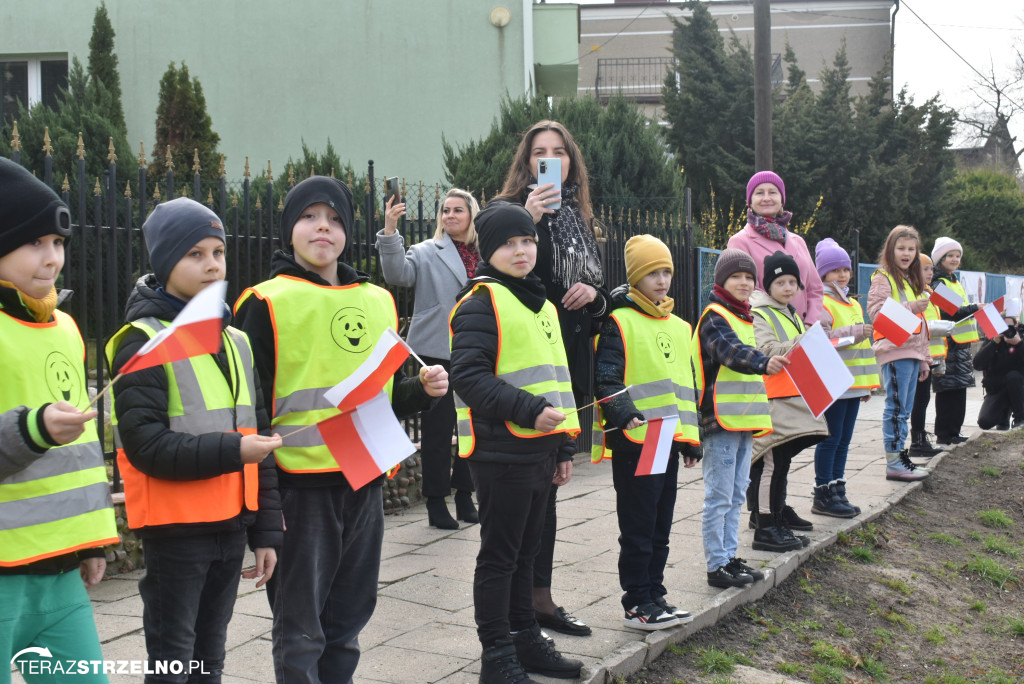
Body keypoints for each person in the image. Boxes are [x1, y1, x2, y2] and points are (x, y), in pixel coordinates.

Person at [233, 175, 448, 684]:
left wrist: (421, 389)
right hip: (299, 491)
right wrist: (261, 512)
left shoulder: (376, 299)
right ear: (289, 231)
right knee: (301, 628)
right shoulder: (262, 302)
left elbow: (381, 395)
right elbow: (249, 413)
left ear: (349, 231)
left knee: (349, 621)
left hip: (362, 483)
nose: (322, 228)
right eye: (309, 217)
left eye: (334, 219)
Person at [107, 197, 283, 683]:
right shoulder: (142, 339)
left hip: (231, 526)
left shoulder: (236, 340)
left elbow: (260, 434)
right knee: (172, 659)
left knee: (211, 657)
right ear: (165, 263)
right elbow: (146, 446)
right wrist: (233, 452)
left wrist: (266, 530)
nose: (211, 265)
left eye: (218, 252)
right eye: (194, 254)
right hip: (176, 530)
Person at [449, 202, 584, 683]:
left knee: (528, 555)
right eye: (509, 243)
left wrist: (565, 445)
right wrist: (528, 410)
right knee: (499, 558)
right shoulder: (480, 301)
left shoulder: (542, 303)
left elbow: (557, 379)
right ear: (489, 250)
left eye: (527, 240)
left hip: (541, 451)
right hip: (500, 453)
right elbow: (466, 376)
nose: (522, 250)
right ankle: (496, 656)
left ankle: (525, 637)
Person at [0, 157, 119, 683]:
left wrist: (91, 540)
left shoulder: (68, 327)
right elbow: (44, 431)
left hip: (60, 570)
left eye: (59, 242)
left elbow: (84, 450)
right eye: (34, 242)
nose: (51, 258)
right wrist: (33, 429)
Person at [492, 120, 607, 636]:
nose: (550, 161)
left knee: (554, 488)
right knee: (525, 495)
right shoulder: (505, 213)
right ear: (525, 162)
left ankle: (540, 600)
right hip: (528, 364)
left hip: (570, 360)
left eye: (559, 153)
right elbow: (505, 278)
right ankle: (520, 612)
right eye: (540, 153)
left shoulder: (581, 220)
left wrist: (596, 296)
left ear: (571, 163)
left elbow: (599, 292)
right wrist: (530, 218)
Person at [592, 235, 701, 631]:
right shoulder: (619, 321)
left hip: (668, 441)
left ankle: (655, 594)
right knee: (638, 525)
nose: (662, 280)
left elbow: (685, 389)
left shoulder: (680, 326)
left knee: (661, 523)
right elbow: (606, 379)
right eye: (653, 272)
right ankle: (636, 601)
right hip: (637, 440)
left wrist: (691, 439)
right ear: (636, 276)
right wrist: (623, 413)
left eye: (667, 272)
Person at [376, 188, 482, 529]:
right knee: (438, 429)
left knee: (472, 425)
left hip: (477, 349)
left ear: (471, 215)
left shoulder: (487, 254)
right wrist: (390, 232)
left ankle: (465, 495)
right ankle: (436, 501)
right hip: (435, 349)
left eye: (457, 210)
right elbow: (397, 276)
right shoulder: (425, 251)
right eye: (445, 210)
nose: (450, 215)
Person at [695, 249, 789, 589]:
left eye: (749, 277)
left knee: (736, 494)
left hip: (743, 420)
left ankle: (729, 557)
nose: (745, 282)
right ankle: (716, 564)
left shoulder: (745, 317)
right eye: (737, 276)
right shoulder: (715, 316)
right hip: (719, 421)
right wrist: (764, 362)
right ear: (722, 280)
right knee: (719, 495)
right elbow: (730, 352)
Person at [748, 252, 829, 551]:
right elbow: (765, 349)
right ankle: (766, 526)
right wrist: (803, 341)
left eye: (792, 282)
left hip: (789, 399)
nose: (787, 287)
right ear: (768, 285)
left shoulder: (790, 312)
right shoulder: (761, 312)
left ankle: (776, 517)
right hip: (772, 400)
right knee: (771, 461)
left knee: (781, 461)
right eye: (780, 281)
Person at [813, 238, 880, 516]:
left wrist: (867, 385)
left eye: (845, 269)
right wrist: (853, 332)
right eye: (835, 270)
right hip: (834, 384)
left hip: (853, 385)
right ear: (823, 274)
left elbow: (862, 350)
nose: (842, 274)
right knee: (830, 439)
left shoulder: (852, 302)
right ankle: (823, 492)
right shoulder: (823, 303)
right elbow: (821, 340)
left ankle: (838, 489)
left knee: (843, 440)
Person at [867, 225, 931, 482]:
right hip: (894, 350)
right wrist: (911, 306)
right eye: (901, 248)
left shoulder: (909, 279)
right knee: (896, 408)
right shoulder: (883, 277)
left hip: (910, 352)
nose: (906, 253)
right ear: (890, 250)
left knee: (904, 409)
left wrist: (924, 358)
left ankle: (899, 457)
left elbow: (921, 325)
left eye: (911, 249)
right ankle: (894, 461)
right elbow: (876, 313)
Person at [727, 171, 824, 325]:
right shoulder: (739, 241)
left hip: (805, 332)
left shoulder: (798, 241)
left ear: (781, 199)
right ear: (750, 201)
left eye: (773, 192)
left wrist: (810, 324)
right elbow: (746, 292)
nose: (766, 198)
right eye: (759, 193)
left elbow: (815, 289)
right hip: (768, 332)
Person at [930, 237, 981, 446]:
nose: (954, 259)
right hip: (948, 344)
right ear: (940, 258)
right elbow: (950, 312)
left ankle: (954, 431)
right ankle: (945, 433)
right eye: (950, 255)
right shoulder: (938, 282)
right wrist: (976, 308)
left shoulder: (953, 280)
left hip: (960, 344)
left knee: (958, 390)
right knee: (948, 390)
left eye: (957, 256)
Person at [908, 254, 947, 458]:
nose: (931, 273)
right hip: (918, 354)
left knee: (923, 399)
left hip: (929, 354)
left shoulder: (929, 293)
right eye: (926, 269)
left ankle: (920, 436)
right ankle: (917, 441)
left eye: (932, 269)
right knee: (918, 399)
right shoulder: (914, 294)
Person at [974, 314, 1024, 430]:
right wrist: (994, 342)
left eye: (1010, 327)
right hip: (998, 388)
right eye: (1003, 327)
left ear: (1016, 325)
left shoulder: (1021, 336)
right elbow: (977, 364)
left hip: (1019, 387)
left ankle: (1020, 417)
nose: (1007, 330)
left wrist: (1019, 344)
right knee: (985, 422)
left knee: (1013, 377)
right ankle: (1003, 416)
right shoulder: (993, 338)